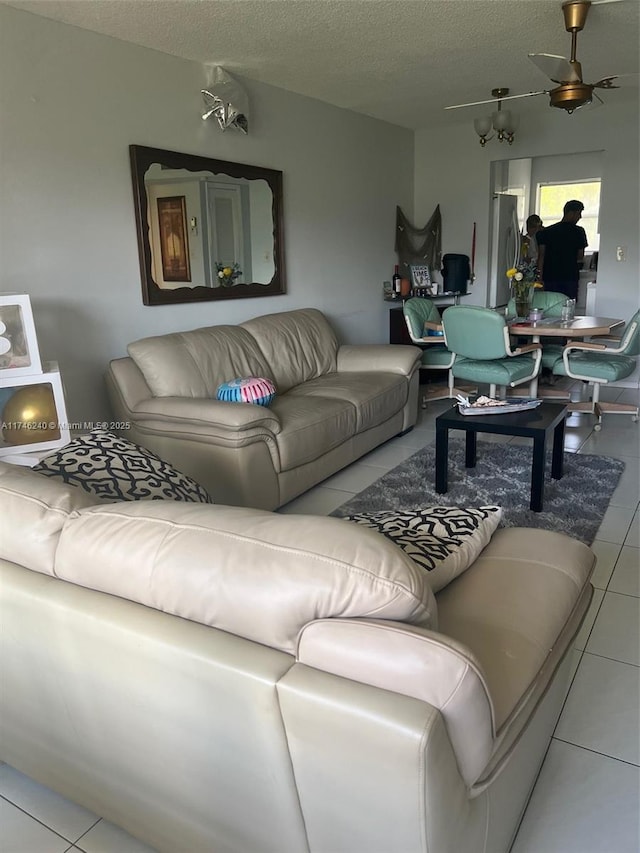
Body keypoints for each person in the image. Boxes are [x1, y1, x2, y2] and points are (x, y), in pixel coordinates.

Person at [536, 200, 588, 300]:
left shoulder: (545, 232)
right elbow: (580, 256)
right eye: (579, 213)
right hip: (570, 277)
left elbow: (541, 257)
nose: (580, 217)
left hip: (549, 277)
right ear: (571, 213)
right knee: (568, 307)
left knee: (550, 305)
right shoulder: (579, 232)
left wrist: (539, 278)